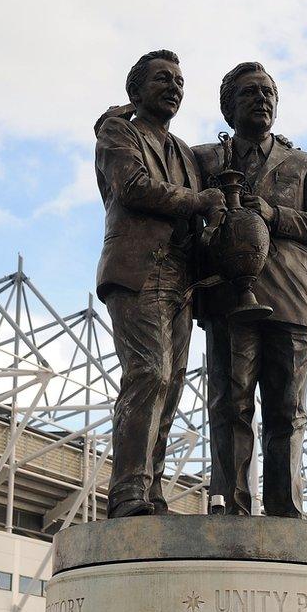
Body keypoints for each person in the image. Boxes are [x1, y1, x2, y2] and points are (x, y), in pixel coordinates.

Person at [193, 62, 307, 517]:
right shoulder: (204, 160)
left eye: (269, 93)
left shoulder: (302, 163)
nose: (262, 100)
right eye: (251, 93)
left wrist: (273, 214)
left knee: (287, 412)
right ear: (229, 106)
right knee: (229, 405)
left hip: (291, 302)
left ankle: (285, 511)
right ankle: (229, 505)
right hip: (227, 301)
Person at [94, 50, 226, 518]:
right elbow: (132, 186)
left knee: (170, 387)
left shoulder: (186, 153)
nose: (174, 87)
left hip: (181, 279)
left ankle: (150, 491)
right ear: (136, 91)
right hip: (137, 270)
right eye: (163, 79)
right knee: (149, 374)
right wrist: (198, 201)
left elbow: (225, 166)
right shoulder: (119, 132)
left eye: (180, 82)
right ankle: (126, 492)